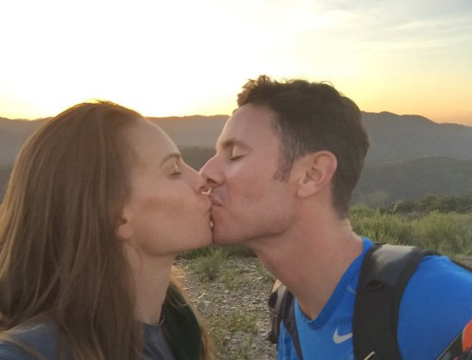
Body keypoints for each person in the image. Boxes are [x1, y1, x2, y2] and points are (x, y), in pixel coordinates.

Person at [200, 75, 472, 360]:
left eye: (235, 155)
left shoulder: (440, 300)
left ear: (312, 174)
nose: (206, 172)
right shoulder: (288, 306)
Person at [0, 102, 214, 360]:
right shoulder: (28, 354)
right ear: (117, 217)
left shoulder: (178, 324)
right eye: (174, 171)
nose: (202, 179)